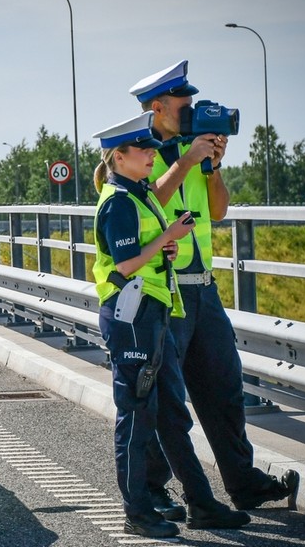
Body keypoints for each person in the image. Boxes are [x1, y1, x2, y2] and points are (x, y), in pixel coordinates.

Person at [128, 60, 300, 520]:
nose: (194, 111)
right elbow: (147, 202)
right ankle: (154, 489)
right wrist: (185, 162)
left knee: (225, 389)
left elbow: (220, 211)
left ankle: (242, 483)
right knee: (166, 399)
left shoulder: (193, 152)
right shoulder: (135, 154)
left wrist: (211, 168)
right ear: (158, 107)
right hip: (163, 292)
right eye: (186, 105)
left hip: (203, 290)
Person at [92, 111, 251, 538]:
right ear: (119, 157)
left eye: (150, 148)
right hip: (132, 318)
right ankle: (137, 512)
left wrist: (162, 247)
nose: (150, 155)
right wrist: (167, 241)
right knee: (137, 417)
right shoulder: (120, 201)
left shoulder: (138, 194)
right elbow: (125, 264)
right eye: (142, 150)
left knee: (170, 415)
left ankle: (202, 504)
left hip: (152, 310)